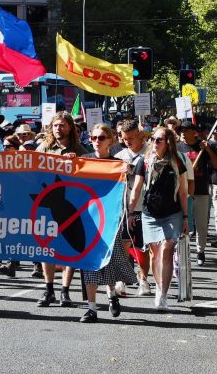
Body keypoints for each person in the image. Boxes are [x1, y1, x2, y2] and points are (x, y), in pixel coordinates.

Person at [78, 124, 136, 323]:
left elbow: (134, 176)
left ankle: (111, 295)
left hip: (110, 221)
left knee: (108, 262)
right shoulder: (84, 161)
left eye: (101, 137)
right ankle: (92, 308)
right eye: (93, 138)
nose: (96, 141)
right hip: (88, 220)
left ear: (110, 140)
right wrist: (68, 163)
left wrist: (127, 171)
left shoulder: (118, 163)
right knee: (89, 263)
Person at [128, 126, 188, 311]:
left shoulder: (177, 161)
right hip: (150, 213)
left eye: (158, 139)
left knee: (167, 248)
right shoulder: (144, 161)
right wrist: (130, 212)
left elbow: (184, 192)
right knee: (155, 253)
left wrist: (186, 217)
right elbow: (137, 188)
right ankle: (158, 285)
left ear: (168, 142)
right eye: (153, 139)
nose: (154, 142)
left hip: (173, 212)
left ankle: (163, 293)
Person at [35, 111, 88, 307]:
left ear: (70, 128)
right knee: (47, 248)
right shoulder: (45, 148)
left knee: (68, 248)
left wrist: (77, 163)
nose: (59, 128)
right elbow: (31, 168)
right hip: (48, 207)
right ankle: (48, 289)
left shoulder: (80, 150)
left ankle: (65, 291)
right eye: (56, 125)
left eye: (63, 125)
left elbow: (90, 173)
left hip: (71, 206)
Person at [114, 118, 153, 296]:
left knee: (142, 248)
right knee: (123, 245)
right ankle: (121, 279)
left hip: (144, 207)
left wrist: (138, 170)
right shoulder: (119, 157)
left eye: (131, 137)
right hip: (124, 207)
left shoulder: (151, 153)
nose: (128, 141)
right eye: (124, 138)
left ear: (140, 135)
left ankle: (143, 279)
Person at [177, 121, 217, 266]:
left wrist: (208, 150)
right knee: (182, 224)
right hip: (182, 192)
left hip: (201, 191)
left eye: (186, 130)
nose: (182, 132)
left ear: (193, 132)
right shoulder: (177, 148)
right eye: (181, 130)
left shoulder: (203, 146)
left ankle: (200, 251)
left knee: (201, 224)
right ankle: (182, 251)